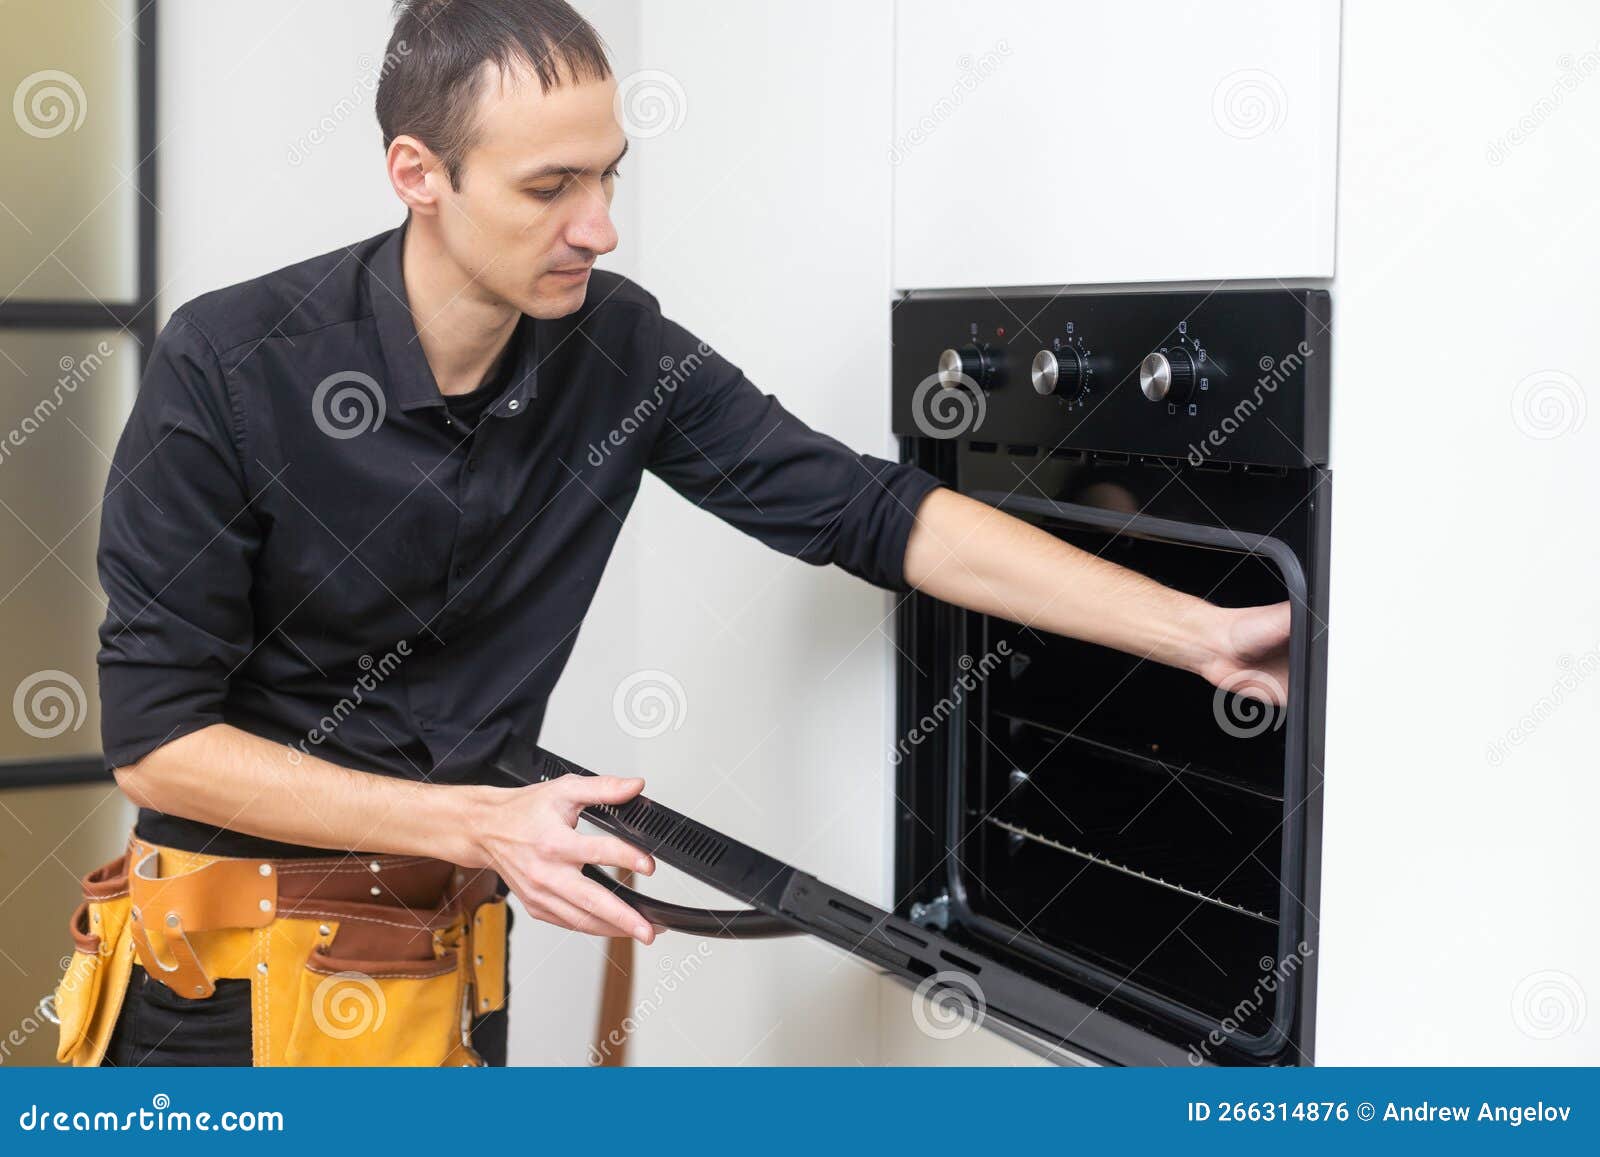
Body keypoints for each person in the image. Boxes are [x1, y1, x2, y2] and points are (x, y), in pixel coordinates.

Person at [53, 0, 1289, 1068]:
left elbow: (867, 510)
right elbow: (161, 746)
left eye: (608, 176)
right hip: (211, 990)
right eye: (550, 187)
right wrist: (477, 821)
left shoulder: (617, 347)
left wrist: (1200, 631)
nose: (599, 226)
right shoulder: (230, 363)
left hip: (448, 961)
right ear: (418, 172)